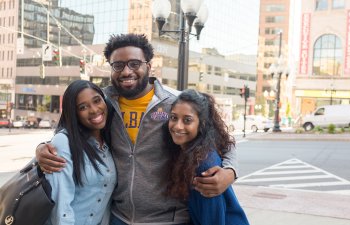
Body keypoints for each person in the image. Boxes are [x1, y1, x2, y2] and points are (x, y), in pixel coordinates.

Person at [36, 33, 237, 225]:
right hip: (118, 218)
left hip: (169, 220)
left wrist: (230, 171)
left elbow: (220, 139)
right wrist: (43, 147)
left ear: (148, 66)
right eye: (118, 65)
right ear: (111, 69)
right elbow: (71, 133)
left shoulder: (175, 103)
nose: (126, 71)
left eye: (134, 64)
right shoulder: (103, 105)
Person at [165, 89, 250, 225]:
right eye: (174, 118)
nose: (178, 126)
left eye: (187, 120)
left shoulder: (204, 167)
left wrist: (231, 171)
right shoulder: (188, 152)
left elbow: (212, 220)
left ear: (202, 124)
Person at [44, 80, 116, 225]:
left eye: (97, 101)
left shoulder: (109, 139)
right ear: (74, 113)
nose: (94, 110)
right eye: (83, 107)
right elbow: (61, 205)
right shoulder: (64, 142)